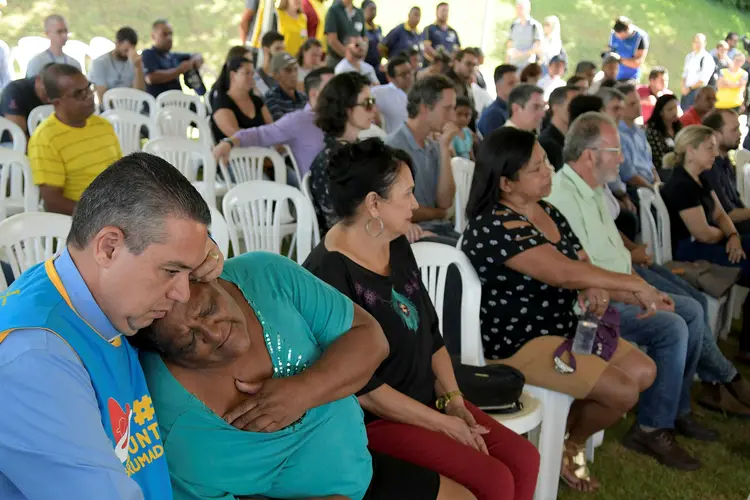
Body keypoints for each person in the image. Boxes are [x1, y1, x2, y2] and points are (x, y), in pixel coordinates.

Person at [136, 247, 476, 500]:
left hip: (358, 471)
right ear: (166, 351)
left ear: (211, 277)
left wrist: (303, 391)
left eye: (209, 309)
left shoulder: (265, 275)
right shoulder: (172, 418)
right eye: (190, 340)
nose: (213, 332)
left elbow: (371, 339)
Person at [305, 138, 540, 500]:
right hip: (376, 421)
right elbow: (365, 390)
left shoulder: (394, 241)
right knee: (493, 479)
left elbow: (431, 331)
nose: (416, 204)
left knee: (524, 459)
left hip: (428, 400)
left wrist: (455, 401)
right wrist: (443, 423)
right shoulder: (326, 275)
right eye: (408, 193)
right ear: (373, 204)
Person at [0, 152, 225, 499]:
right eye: (170, 271)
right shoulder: (36, 359)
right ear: (108, 247)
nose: (183, 293)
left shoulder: (88, 293)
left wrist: (196, 252)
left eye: (190, 273)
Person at [462, 126, 657, 490]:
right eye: (536, 168)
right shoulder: (493, 225)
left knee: (643, 371)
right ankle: (567, 445)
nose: (548, 171)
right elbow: (564, 272)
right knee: (623, 390)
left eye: (546, 163)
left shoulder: (547, 210)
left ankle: (563, 439)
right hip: (519, 342)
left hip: (565, 327)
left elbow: (580, 263)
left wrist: (602, 287)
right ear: (506, 183)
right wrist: (633, 284)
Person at [546, 112, 716, 470]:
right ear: (591, 154)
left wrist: (643, 284)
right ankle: (652, 427)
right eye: (616, 150)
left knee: (693, 309)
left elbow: (614, 252)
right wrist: (636, 293)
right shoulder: (562, 195)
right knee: (672, 325)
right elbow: (582, 274)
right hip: (592, 303)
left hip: (622, 284)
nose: (621, 158)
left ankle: (674, 409)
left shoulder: (592, 188)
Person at [660, 125, 750, 366]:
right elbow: (703, 234)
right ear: (690, 151)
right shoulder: (681, 184)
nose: (714, 153)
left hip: (715, 242)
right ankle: (747, 347)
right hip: (691, 253)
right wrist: (727, 236)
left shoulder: (700, 179)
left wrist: (734, 236)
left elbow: (721, 215)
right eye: (709, 148)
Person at [27, 64, 121, 215]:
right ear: (57, 102)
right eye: (79, 94)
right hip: (81, 223)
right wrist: (100, 214)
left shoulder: (103, 126)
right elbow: (53, 203)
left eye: (88, 88)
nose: (90, 96)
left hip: (116, 210)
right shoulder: (45, 139)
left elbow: (120, 173)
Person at [214, 67, 334, 182]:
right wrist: (229, 142)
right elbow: (261, 134)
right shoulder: (299, 121)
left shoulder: (347, 117)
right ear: (314, 93)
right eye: (333, 89)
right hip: (323, 193)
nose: (341, 93)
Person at [385, 75, 460, 240]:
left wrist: (444, 148)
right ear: (425, 109)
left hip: (441, 229)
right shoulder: (393, 147)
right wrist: (438, 213)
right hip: (413, 235)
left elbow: (445, 202)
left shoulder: (433, 145)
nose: (453, 117)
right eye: (447, 109)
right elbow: (392, 207)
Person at [310, 72, 377, 234]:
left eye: (373, 102)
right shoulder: (332, 161)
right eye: (367, 103)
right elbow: (340, 223)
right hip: (351, 248)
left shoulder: (354, 152)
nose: (373, 109)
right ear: (347, 109)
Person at [702, 110, 750, 233]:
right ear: (716, 135)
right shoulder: (709, 167)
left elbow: (737, 205)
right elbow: (729, 214)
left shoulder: (725, 162)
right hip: (724, 232)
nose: (739, 134)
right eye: (734, 130)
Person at [210, 57, 272, 143]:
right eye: (247, 73)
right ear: (233, 75)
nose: (252, 77)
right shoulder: (221, 102)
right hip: (234, 154)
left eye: (253, 74)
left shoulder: (257, 101)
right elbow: (235, 135)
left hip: (266, 152)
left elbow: (272, 129)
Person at [141, 19, 204, 98]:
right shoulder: (148, 54)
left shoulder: (174, 56)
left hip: (179, 103)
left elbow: (198, 55)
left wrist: (192, 63)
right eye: (164, 34)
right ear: (153, 36)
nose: (169, 38)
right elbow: (151, 78)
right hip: (158, 105)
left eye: (170, 34)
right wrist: (179, 70)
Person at [616, 83, 659, 191]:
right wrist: (653, 189)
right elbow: (629, 175)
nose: (638, 106)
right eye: (632, 104)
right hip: (635, 189)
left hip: (650, 185)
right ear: (620, 108)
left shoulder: (639, 131)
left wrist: (658, 184)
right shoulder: (617, 135)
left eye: (638, 101)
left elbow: (650, 164)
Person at [89, 27, 145, 104]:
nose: (127, 54)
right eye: (126, 50)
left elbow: (139, 93)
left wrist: (138, 67)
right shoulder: (100, 62)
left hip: (132, 106)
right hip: (110, 107)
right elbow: (102, 97)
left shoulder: (134, 61)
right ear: (117, 43)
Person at [539, 85, 580, 170]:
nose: (578, 109)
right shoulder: (546, 144)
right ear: (555, 107)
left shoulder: (576, 140)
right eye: (572, 104)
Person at [0, 67, 48, 139]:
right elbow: (17, 136)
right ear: (38, 80)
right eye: (47, 90)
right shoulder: (16, 90)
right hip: (9, 145)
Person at [371, 55, 414, 134]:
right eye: (403, 74)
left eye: (410, 72)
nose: (409, 76)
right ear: (390, 78)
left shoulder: (419, 92)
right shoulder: (379, 93)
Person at [645, 94, 682, 180]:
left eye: (675, 108)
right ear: (660, 112)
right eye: (670, 109)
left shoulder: (679, 127)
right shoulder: (653, 131)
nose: (674, 112)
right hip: (663, 170)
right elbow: (659, 159)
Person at [477, 64, 518, 137]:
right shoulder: (494, 114)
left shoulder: (511, 110)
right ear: (498, 85)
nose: (516, 87)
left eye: (517, 83)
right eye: (511, 83)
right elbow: (497, 147)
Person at [265, 52, 309, 121]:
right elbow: (282, 127)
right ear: (275, 75)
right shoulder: (271, 98)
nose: (294, 74)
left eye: (295, 69)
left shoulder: (304, 97)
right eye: (288, 70)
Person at [324, 0, 365, 67]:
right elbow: (332, 40)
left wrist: (361, 56)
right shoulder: (333, 11)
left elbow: (364, 38)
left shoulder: (359, 12)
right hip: (336, 61)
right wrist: (349, 57)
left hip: (356, 62)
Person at [607, 16, 649, 81]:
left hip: (630, 77)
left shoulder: (640, 37)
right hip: (613, 74)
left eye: (621, 36)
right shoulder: (613, 33)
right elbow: (610, 50)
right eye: (617, 35)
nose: (619, 37)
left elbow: (637, 63)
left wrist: (618, 59)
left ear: (628, 29)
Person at [681, 34, 715, 110]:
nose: (697, 44)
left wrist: (689, 88)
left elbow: (703, 81)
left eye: (700, 42)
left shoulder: (707, 58)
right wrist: (683, 87)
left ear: (705, 43)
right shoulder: (689, 56)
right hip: (686, 91)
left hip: (697, 93)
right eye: (695, 42)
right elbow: (685, 74)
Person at [506, 0, 543, 69]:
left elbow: (538, 47)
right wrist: (506, 64)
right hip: (513, 65)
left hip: (527, 66)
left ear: (528, 9)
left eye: (521, 8)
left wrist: (522, 54)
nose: (518, 11)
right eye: (517, 8)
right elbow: (509, 45)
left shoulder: (535, 26)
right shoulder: (514, 25)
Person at [445, 49, 479, 114]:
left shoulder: (465, 82)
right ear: (457, 62)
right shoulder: (446, 83)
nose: (471, 68)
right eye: (468, 64)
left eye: (474, 65)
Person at [360, 0, 386, 85]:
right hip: (365, 65)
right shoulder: (361, 28)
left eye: (375, 9)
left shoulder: (378, 29)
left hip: (377, 65)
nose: (374, 12)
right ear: (363, 10)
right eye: (371, 9)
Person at [452, 96, 475, 160]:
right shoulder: (450, 135)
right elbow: (454, 159)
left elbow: (471, 156)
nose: (463, 119)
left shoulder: (468, 132)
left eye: (467, 115)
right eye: (459, 114)